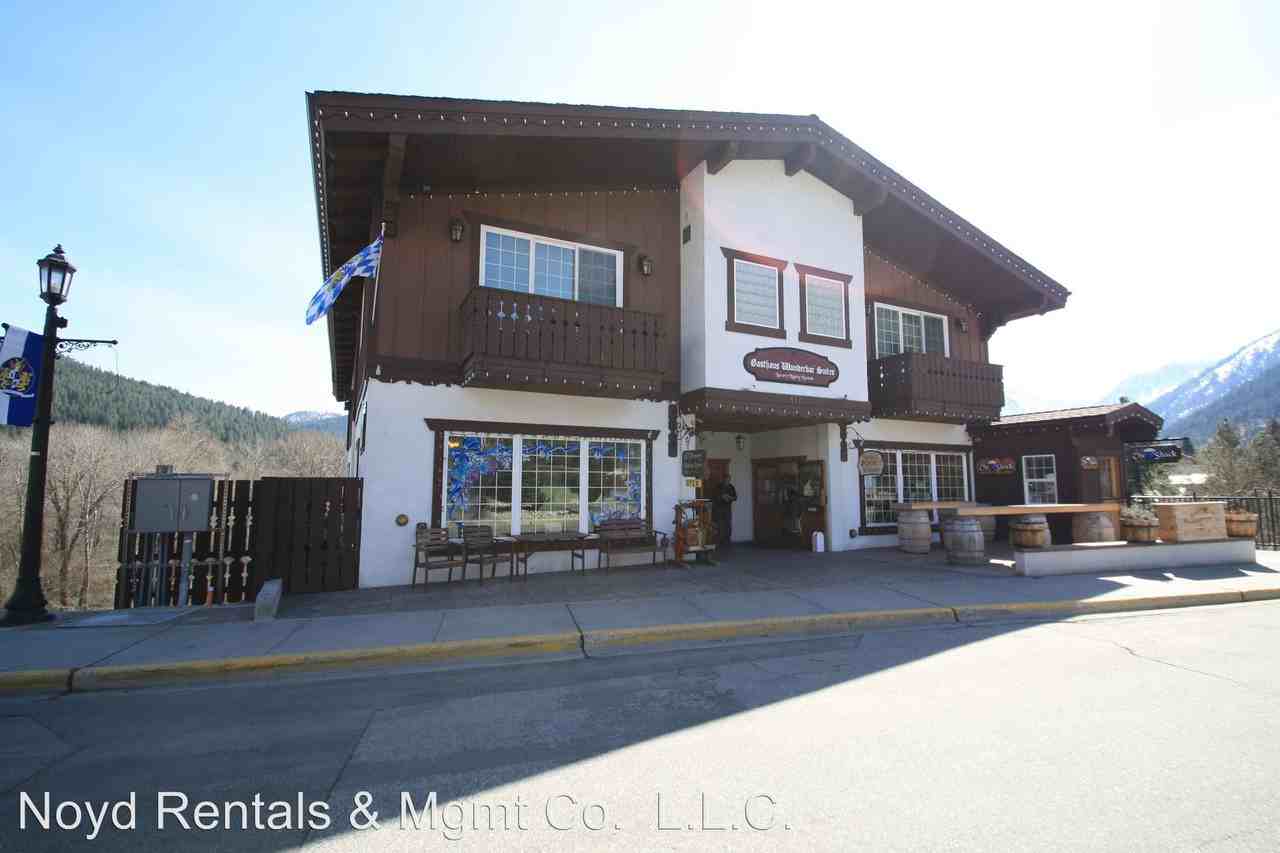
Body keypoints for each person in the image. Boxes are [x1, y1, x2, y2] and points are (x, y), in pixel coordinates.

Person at [714, 473, 738, 546]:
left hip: (727, 508)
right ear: (723, 479)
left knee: (728, 524)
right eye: (726, 479)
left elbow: (735, 497)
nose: (727, 481)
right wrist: (722, 497)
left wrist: (730, 498)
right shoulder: (718, 486)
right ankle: (718, 541)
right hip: (719, 508)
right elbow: (714, 497)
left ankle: (727, 540)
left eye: (729, 479)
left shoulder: (731, 487)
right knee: (719, 524)